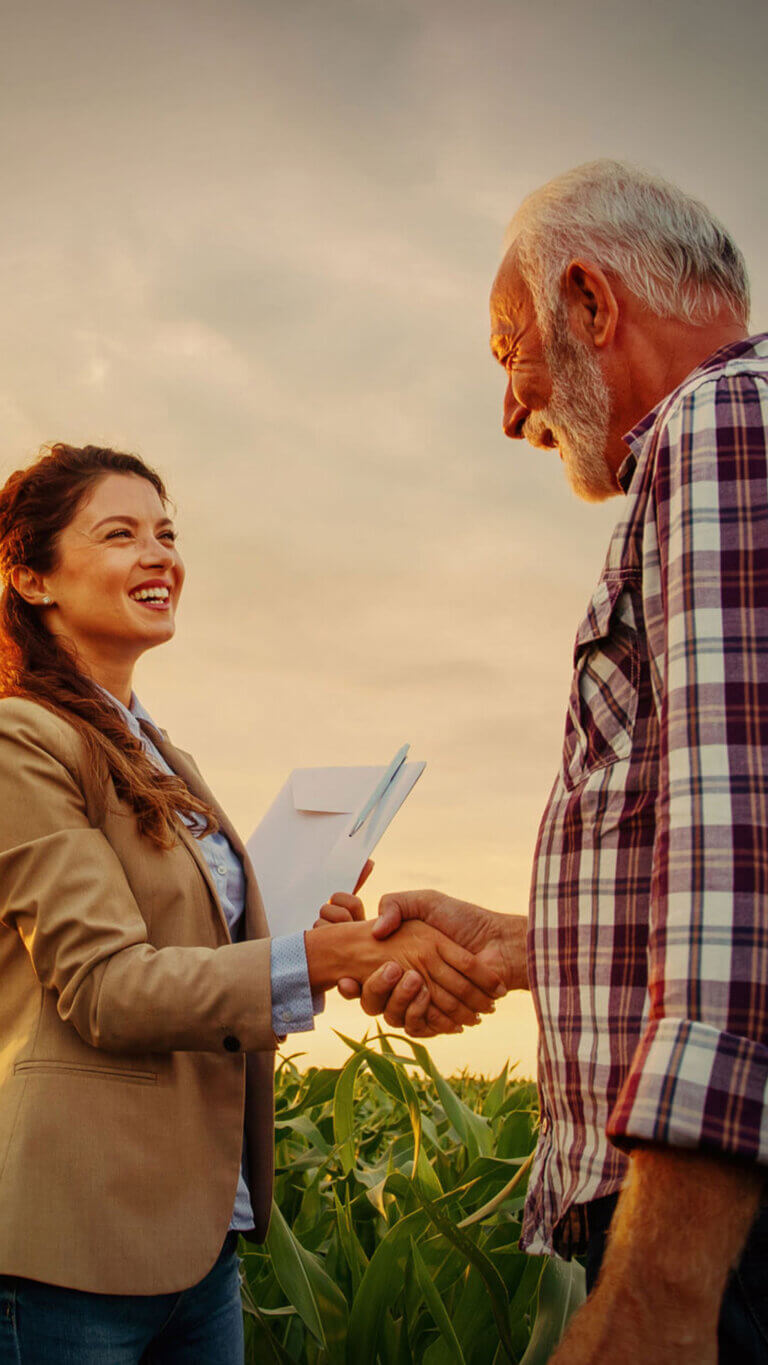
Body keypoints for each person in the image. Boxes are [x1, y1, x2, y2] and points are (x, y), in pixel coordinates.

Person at [323, 162, 768, 1365]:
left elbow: (745, 861)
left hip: (720, 1239)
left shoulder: (721, 424)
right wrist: (521, 945)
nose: (510, 410)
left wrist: (662, 1292)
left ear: (590, 302)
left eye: (507, 350)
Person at [0, 442, 505, 1365]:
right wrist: (320, 961)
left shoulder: (168, 761)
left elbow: (206, 963)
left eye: (167, 532)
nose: (160, 556)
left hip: (203, 1238)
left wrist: (320, 941)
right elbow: (106, 989)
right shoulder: (20, 740)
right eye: (120, 534)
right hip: (74, 1245)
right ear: (31, 575)